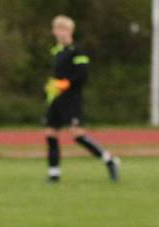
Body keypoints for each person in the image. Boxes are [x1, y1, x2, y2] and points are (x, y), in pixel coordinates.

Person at [42, 15, 119, 183]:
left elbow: (82, 74)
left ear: (70, 31)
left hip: (72, 99)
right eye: (57, 29)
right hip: (56, 99)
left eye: (63, 29)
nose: (59, 32)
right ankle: (54, 174)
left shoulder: (77, 51)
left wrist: (66, 84)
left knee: (77, 135)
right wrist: (52, 87)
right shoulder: (56, 52)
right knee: (50, 133)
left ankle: (109, 160)